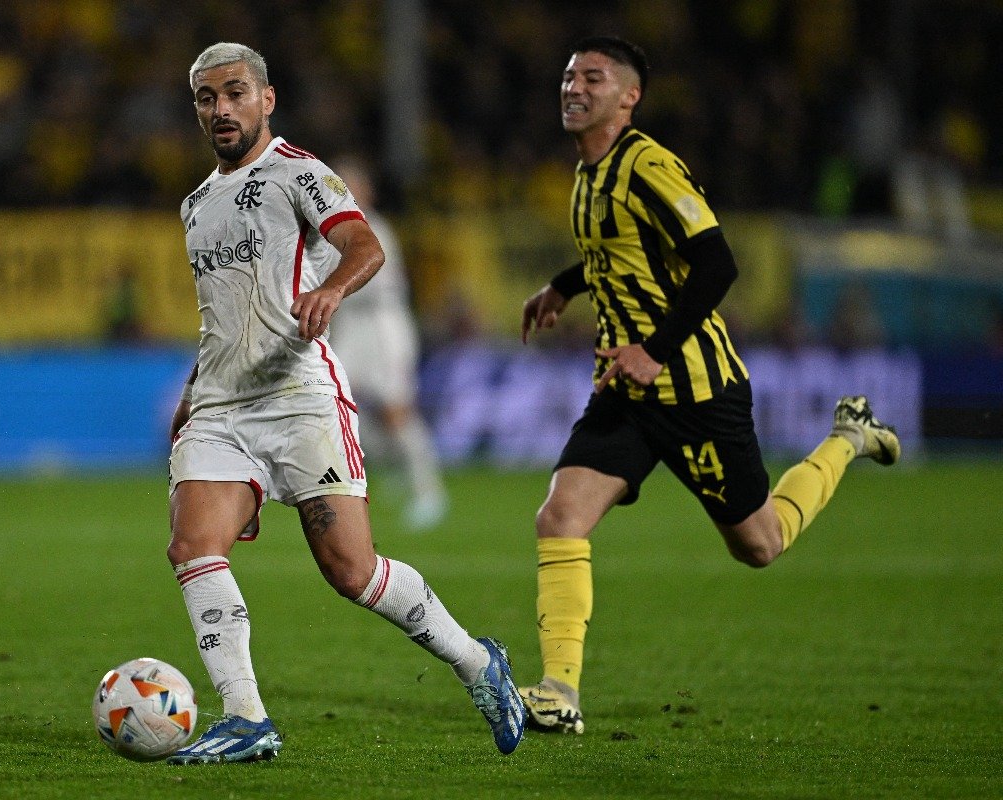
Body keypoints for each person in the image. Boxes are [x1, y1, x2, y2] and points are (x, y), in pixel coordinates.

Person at [517, 36, 900, 735]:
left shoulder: (649, 167)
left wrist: (657, 351)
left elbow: (717, 263)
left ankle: (849, 437)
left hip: (695, 388)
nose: (574, 87)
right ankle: (558, 693)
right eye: (568, 75)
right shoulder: (586, 174)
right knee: (560, 517)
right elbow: (617, 254)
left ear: (628, 97)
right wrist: (562, 287)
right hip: (627, 391)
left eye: (592, 78)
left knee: (759, 545)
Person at [163, 42, 524, 764]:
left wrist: (332, 288)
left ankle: (477, 662)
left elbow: (364, 245)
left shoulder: (300, 172)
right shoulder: (196, 204)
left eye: (235, 93)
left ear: (267, 99)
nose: (221, 109)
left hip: (300, 397)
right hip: (220, 405)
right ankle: (246, 717)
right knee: (193, 546)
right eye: (207, 98)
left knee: (351, 571)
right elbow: (220, 318)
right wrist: (191, 398)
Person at [326, 155, 448, 531]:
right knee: (337, 406)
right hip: (349, 326)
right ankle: (392, 465)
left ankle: (430, 491)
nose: (342, 191)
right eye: (337, 184)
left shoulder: (371, 228)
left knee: (396, 409)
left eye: (350, 184)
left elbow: (368, 283)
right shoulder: (334, 230)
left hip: (382, 324)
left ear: (368, 191)